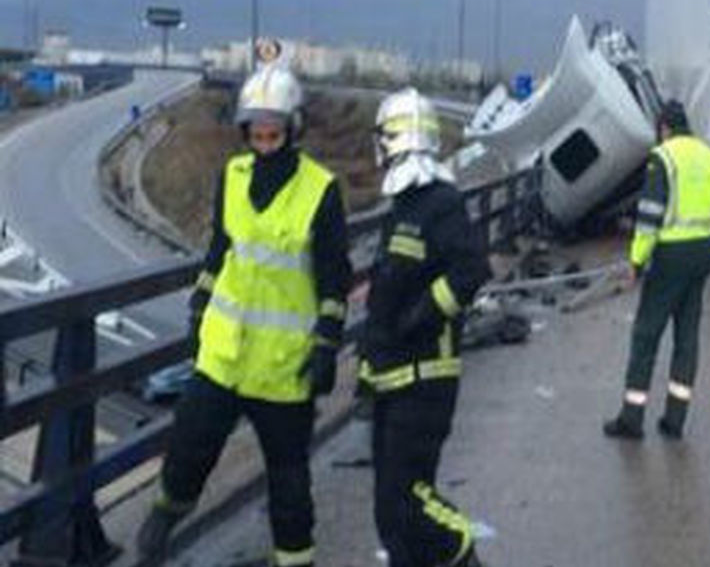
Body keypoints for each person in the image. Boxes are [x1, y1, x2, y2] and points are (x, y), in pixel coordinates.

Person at [136, 64, 351, 566]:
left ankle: (295, 561)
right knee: (188, 450)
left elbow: (334, 277)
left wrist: (326, 344)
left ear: (293, 127)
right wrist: (200, 300)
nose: (264, 136)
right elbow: (220, 253)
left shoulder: (320, 190)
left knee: (289, 484)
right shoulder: (231, 177)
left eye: (273, 128)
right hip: (224, 358)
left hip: (282, 368)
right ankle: (160, 525)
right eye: (255, 128)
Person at [360, 88, 491, 566]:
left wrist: (424, 314)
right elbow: (395, 284)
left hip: (425, 379)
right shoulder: (404, 206)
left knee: (409, 501)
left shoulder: (440, 202)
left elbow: (471, 270)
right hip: (392, 379)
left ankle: (461, 544)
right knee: (388, 513)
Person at [604, 100, 710, 439]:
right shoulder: (707, 155)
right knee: (687, 336)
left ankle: (631, 417)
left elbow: (650, 216)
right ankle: (675, 419)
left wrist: (636, 262)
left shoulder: (664, 157)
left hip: (671, 255)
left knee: (646, 334)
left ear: (664, 128)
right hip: (704, 251)